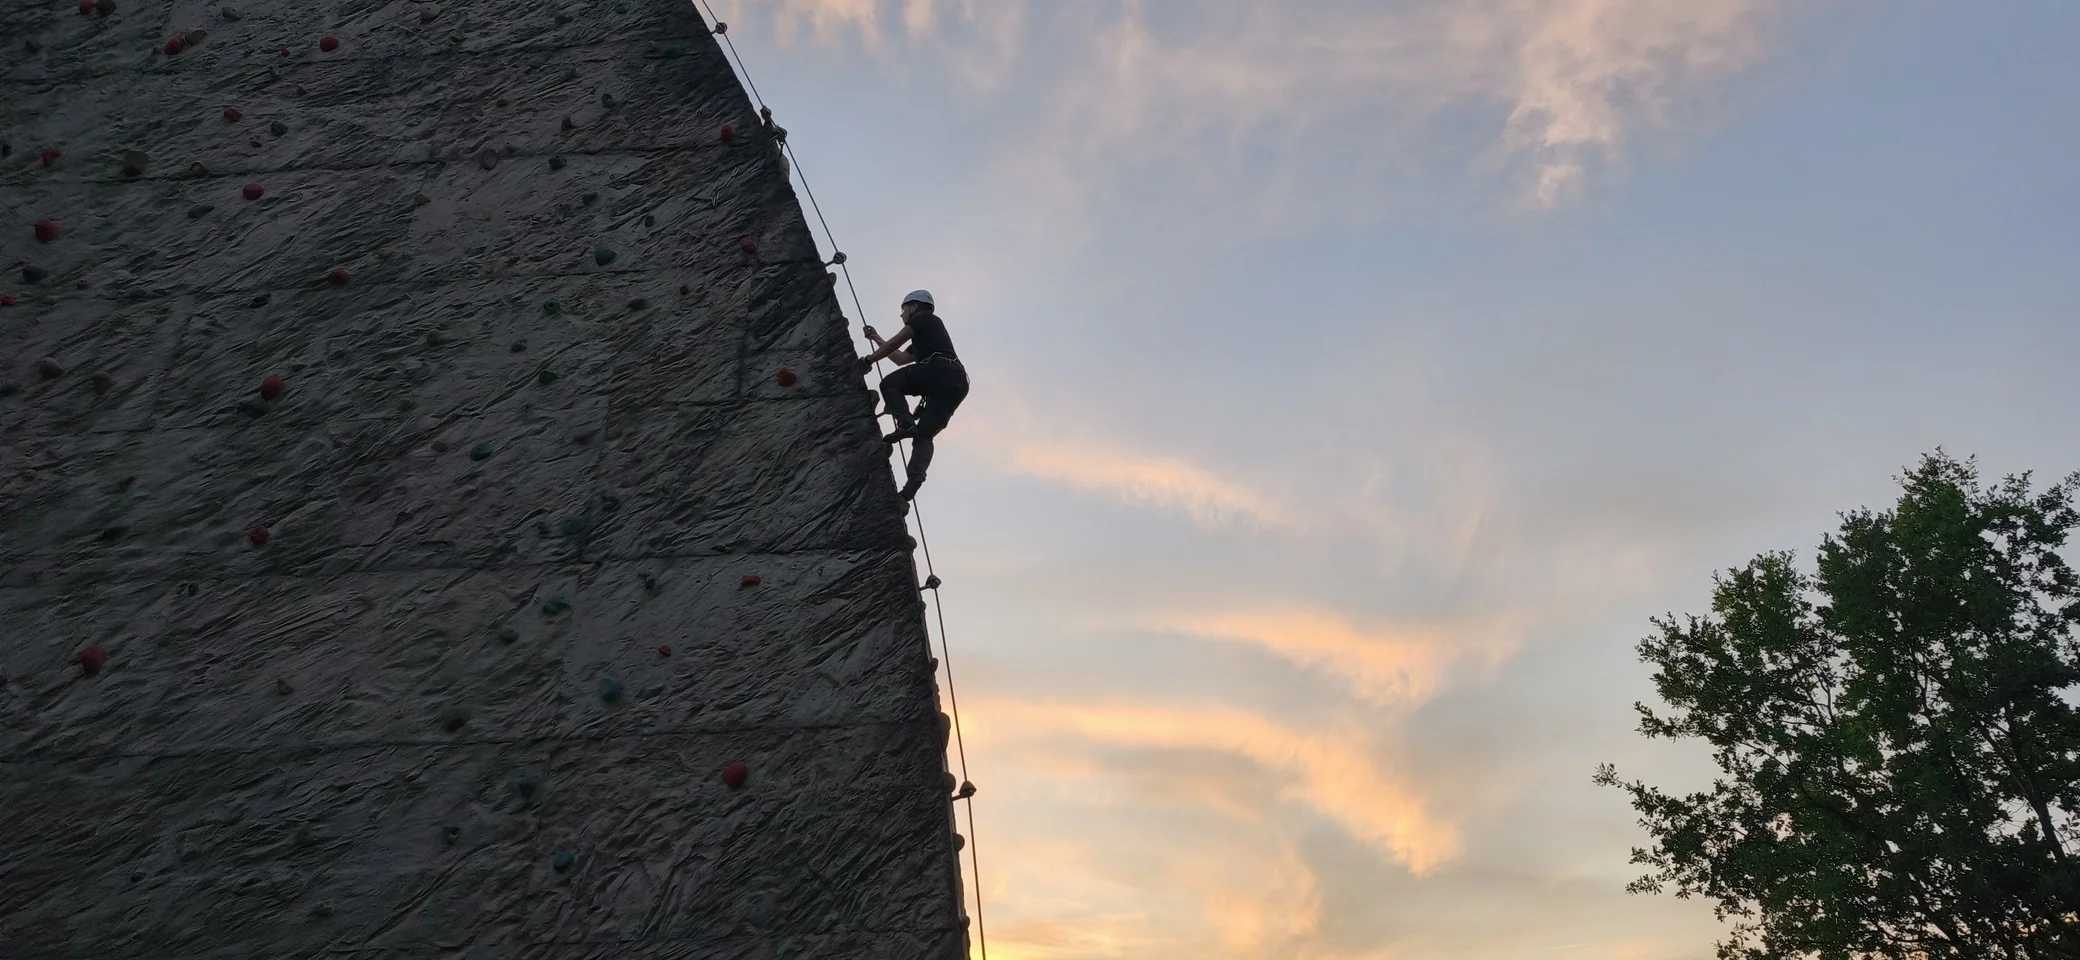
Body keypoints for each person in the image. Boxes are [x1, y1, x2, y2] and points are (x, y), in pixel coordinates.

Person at [858, 289, 969, 501]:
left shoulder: (923, 319)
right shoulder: (930, 332)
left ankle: (905, 425)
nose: (901, 315)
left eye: (903, 309)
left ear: (914, 307)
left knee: (889, 384)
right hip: (957, 383)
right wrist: (876, 337)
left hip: (938, 370)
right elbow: (900, 358)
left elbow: (895, 342)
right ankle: (913, 482)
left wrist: (868, 361)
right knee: (924, 435)